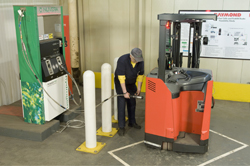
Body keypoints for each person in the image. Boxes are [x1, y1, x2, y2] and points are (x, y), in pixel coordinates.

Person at [114, 48, 144, 136]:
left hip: (131, 82)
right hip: (121, 83)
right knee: (122, 103)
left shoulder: (140, 61)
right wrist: (124, 92)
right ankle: (121, 126)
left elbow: (140, 76)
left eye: (138, 60)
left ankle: (132, 122)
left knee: (132, 102)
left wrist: (138, 89)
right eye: (135, 60)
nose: (137, 62)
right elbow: (121, 78)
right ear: (131, 56)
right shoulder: (122, 60)